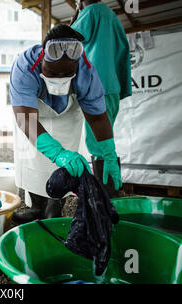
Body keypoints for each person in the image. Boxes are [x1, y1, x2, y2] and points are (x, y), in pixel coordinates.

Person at [10, 24, 122, 225]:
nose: (58, 78)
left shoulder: (86, 71)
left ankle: (55, 207)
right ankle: (37, 207)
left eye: (66, 73)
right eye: (51, 72)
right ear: (42, 57)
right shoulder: (24, 66)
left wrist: (109, 151)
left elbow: (97, 117)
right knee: (32, 158)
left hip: (68, 115)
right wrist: (56, 152)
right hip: (32, 115)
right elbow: (26, 119)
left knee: (66, 163)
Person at [71, 0, 132, 197]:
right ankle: (113, 193)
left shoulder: (90, 13)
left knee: (97, 142)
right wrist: (122, 86)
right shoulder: (113, 17)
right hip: (112, 87)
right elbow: (124, 54)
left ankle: (104, 197)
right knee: (106, 140)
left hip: (95, 86)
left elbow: (68, 42)